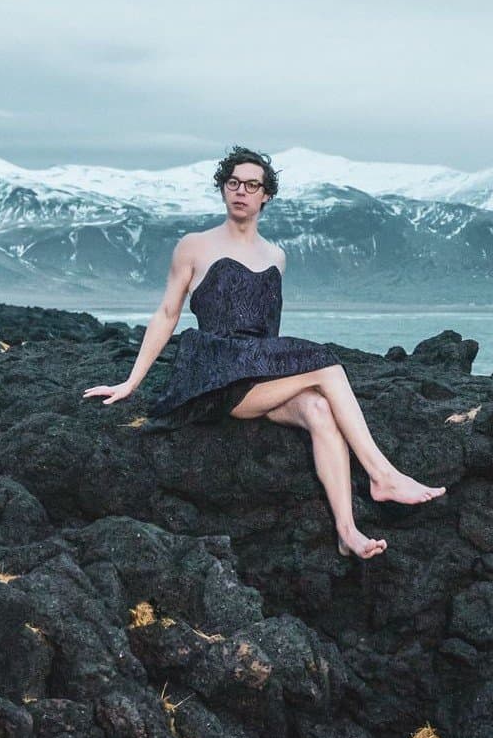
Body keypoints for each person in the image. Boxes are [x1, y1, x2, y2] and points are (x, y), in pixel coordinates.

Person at [82, 146, 445, 559]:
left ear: (265, 195)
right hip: (215, 374)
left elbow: (267, 329)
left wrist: (279, 370)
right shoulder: (194, 245)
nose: (241, 191)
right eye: (233, 183)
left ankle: (347, 532)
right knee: (327, 366)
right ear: (223, 189)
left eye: (252, 185)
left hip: (259, 375)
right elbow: (168, 313)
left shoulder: (277, 256)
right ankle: (383, 474)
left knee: (319, 410)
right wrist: (131, 382)